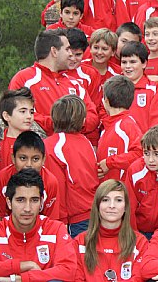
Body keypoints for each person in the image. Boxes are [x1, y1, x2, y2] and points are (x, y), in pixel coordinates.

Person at [0, 169, 77, 282]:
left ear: (41, 202)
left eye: (34, 200)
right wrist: (23, 265)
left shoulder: (56, 229)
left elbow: (68, 270)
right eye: (20, 200)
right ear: (9, 202)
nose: (27, 208)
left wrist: (20, 279)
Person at [9, 29, 99, 136]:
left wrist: (71, 123)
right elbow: (17, 113)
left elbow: (93, 117)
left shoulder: (75, 84)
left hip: (71, 148)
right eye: (67, 49)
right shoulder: (24, 79)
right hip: (40, 147)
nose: (70, 54)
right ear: (54, 51)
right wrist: (59, 123)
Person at [44, 95, 99, 237]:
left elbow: (57, 187)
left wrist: (59, 223)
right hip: (93, 213)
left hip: (73, 220)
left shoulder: (52, 145)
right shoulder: (86, 141)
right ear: (82, 120)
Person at [74, 180, 148, 282]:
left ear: (126, 206)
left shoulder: (140, 242)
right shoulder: (80, 242)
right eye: (105, 200)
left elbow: (138, 277)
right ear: (97, 205)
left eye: (118, 200)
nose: (112, 206)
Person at [0, 131, 59, 222]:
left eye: (35, 159)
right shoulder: (2, 179)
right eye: (23, 158)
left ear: (43, 160)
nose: (29, 164)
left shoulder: (51, 182)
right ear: (13, 158)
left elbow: (51, 221)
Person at [96, 75, 143, 182]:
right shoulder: (108, 126)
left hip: (121, 192)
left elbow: (140, 154)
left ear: (106, 101)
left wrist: (109, 163)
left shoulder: (126, 124)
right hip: (108, 191)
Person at [120, 41, 158, 131]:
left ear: (144, 64)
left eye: (132, 62)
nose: (127, 66)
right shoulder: (114, 87)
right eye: (124, 62)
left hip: (144, 143)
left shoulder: (155, 89)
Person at [0, 87, 35, 174]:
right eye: (23, 111)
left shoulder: (37, 143)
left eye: (31, 112)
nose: (29, 116)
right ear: (6, 116)